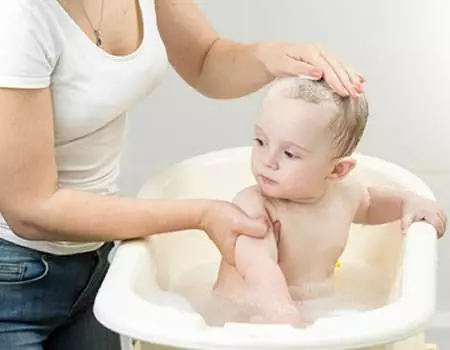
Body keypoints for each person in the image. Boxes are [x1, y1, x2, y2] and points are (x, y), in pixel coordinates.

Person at [0, 0, 365, 349]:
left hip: (92, 257)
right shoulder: (17, 18)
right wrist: (202, 215)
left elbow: (205, 60)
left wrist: (270, 56)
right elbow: (32, 208)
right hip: (12, 276)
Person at [208, 76, 447, 326]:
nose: (268, 160)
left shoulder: (345, 194)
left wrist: (407, 201)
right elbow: (259, 269)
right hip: (244, 318)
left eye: (289, 153)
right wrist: (284, 316)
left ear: (337, 171)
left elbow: (369, 203)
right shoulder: (254, 206)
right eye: (260, 141)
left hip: (312, 310)